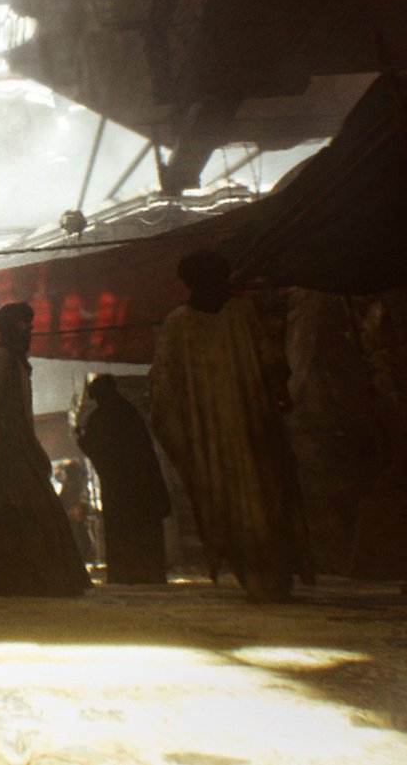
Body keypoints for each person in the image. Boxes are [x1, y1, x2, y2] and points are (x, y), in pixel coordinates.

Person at [149, 249, 314, 603]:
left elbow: (163, 389)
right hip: (250, 428)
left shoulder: (185, 323)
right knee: (263, 497)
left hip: (223, 437)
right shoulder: (239, 314)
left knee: (237, 500)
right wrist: (279, 395)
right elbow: (273, 363)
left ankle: (260, 574)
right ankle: (266, 575)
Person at [0, 303, 90, 597]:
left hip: (19, 444)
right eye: (25, 323)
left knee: (20, 508)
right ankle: (16, 578)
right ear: (12, 327)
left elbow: (21, 413)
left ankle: (27, 577)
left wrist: (32, 446)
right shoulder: (1, 357)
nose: (30, 328)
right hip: (7, 447)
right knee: (17, 507)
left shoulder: (16, 361)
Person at [77, 375, 171, 584]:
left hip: (118, 489)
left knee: (122, 532)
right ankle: (150, 573)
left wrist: (81, 438)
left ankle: (126, 574)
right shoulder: (129, 412)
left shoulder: (100, 417)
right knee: (144, 531)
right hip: (142, 485)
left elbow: (94, 449)